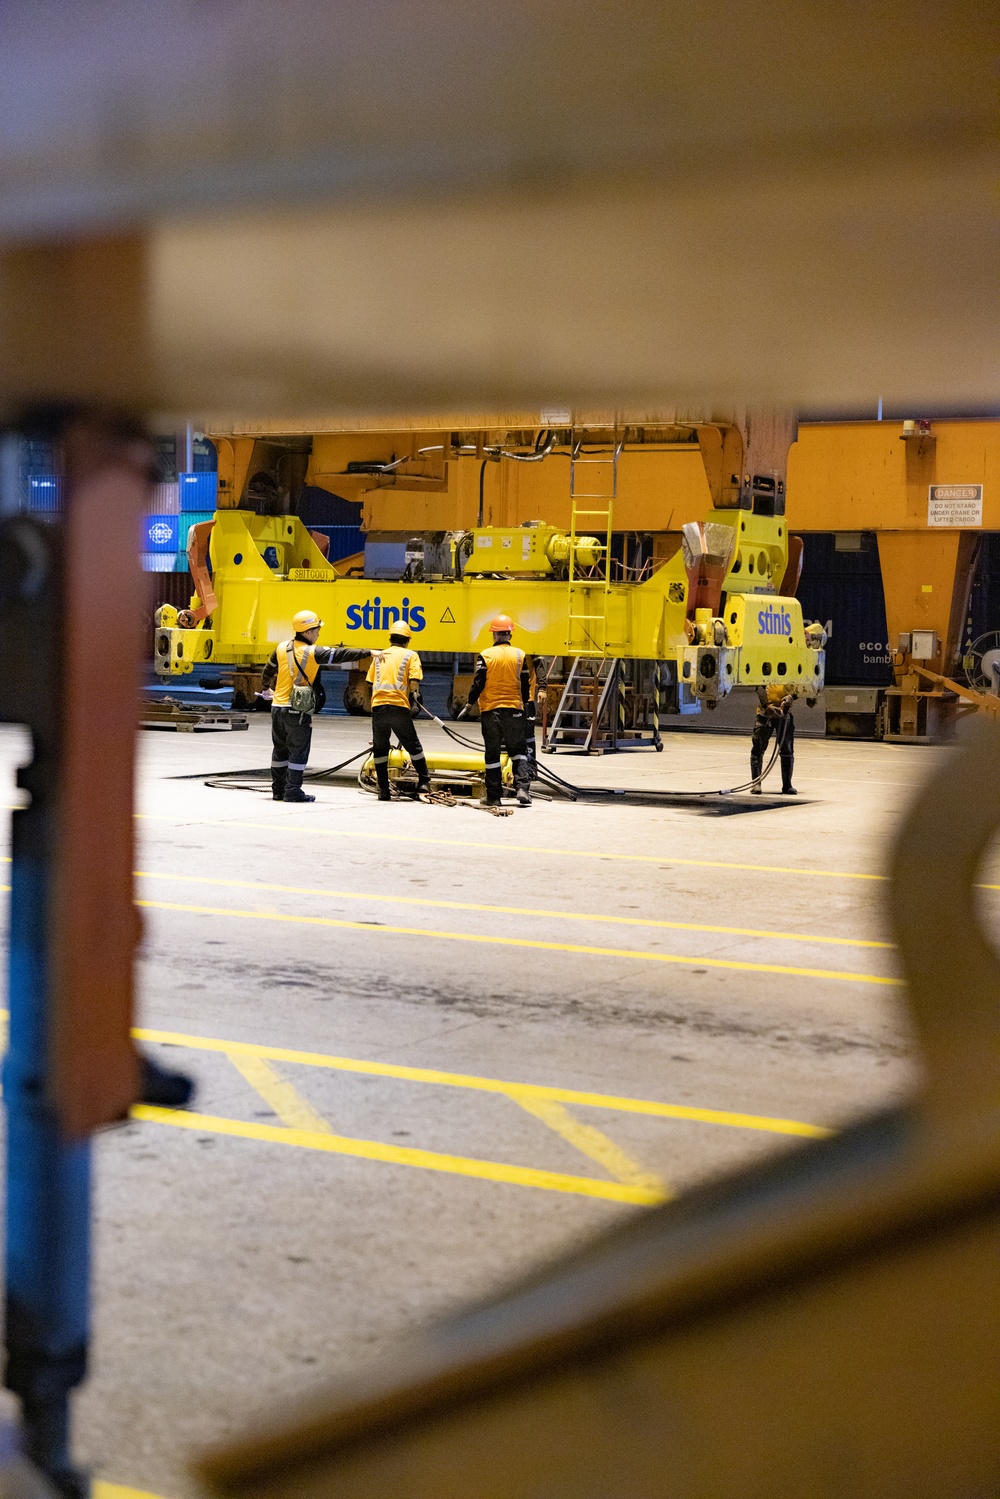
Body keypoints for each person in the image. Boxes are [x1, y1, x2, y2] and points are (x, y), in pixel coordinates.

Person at [262, 609, 369, 802]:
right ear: (308, 632)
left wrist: (265, 690)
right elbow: (341, 654)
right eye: (317, 629)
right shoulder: (312, 652)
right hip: (296, 710)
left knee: (280, 750)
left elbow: (268, 670)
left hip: (277, 707)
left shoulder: (281, 647)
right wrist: (369, 652)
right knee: (298, 750)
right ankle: (293, 791)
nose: (319, 633)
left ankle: (278, 790)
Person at [466, 613, 533, 807]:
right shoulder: (520, 655)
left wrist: (469, 704)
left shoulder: (486, 655)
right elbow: (525, 686)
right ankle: (522, 789)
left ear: (494, 635)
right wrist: (525, 707)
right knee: (519, 751)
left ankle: (494, 797)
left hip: (491, 711)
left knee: (492, 754)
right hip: (515, 710)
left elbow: (478, 683)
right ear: (510, 635)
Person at [367, 621, 431, 801]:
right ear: (408, 640)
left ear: (390, 638)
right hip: (398, 706)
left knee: (380, 750)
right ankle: (424, 782)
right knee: (413, 746)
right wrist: (415, 699)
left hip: (378, 707)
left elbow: (370, 682)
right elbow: (414, 682)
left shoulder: (379, 655)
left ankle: (384, 790)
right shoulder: (411, 655)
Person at [751, 684, 796, 794]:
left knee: (787, 750)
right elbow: (759, 686)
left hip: (784, 714)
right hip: (765, 714)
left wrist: (792, 697)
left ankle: (787, 785)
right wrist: (766, 706)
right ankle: (756, 783)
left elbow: (801, 687)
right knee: (758, 748)